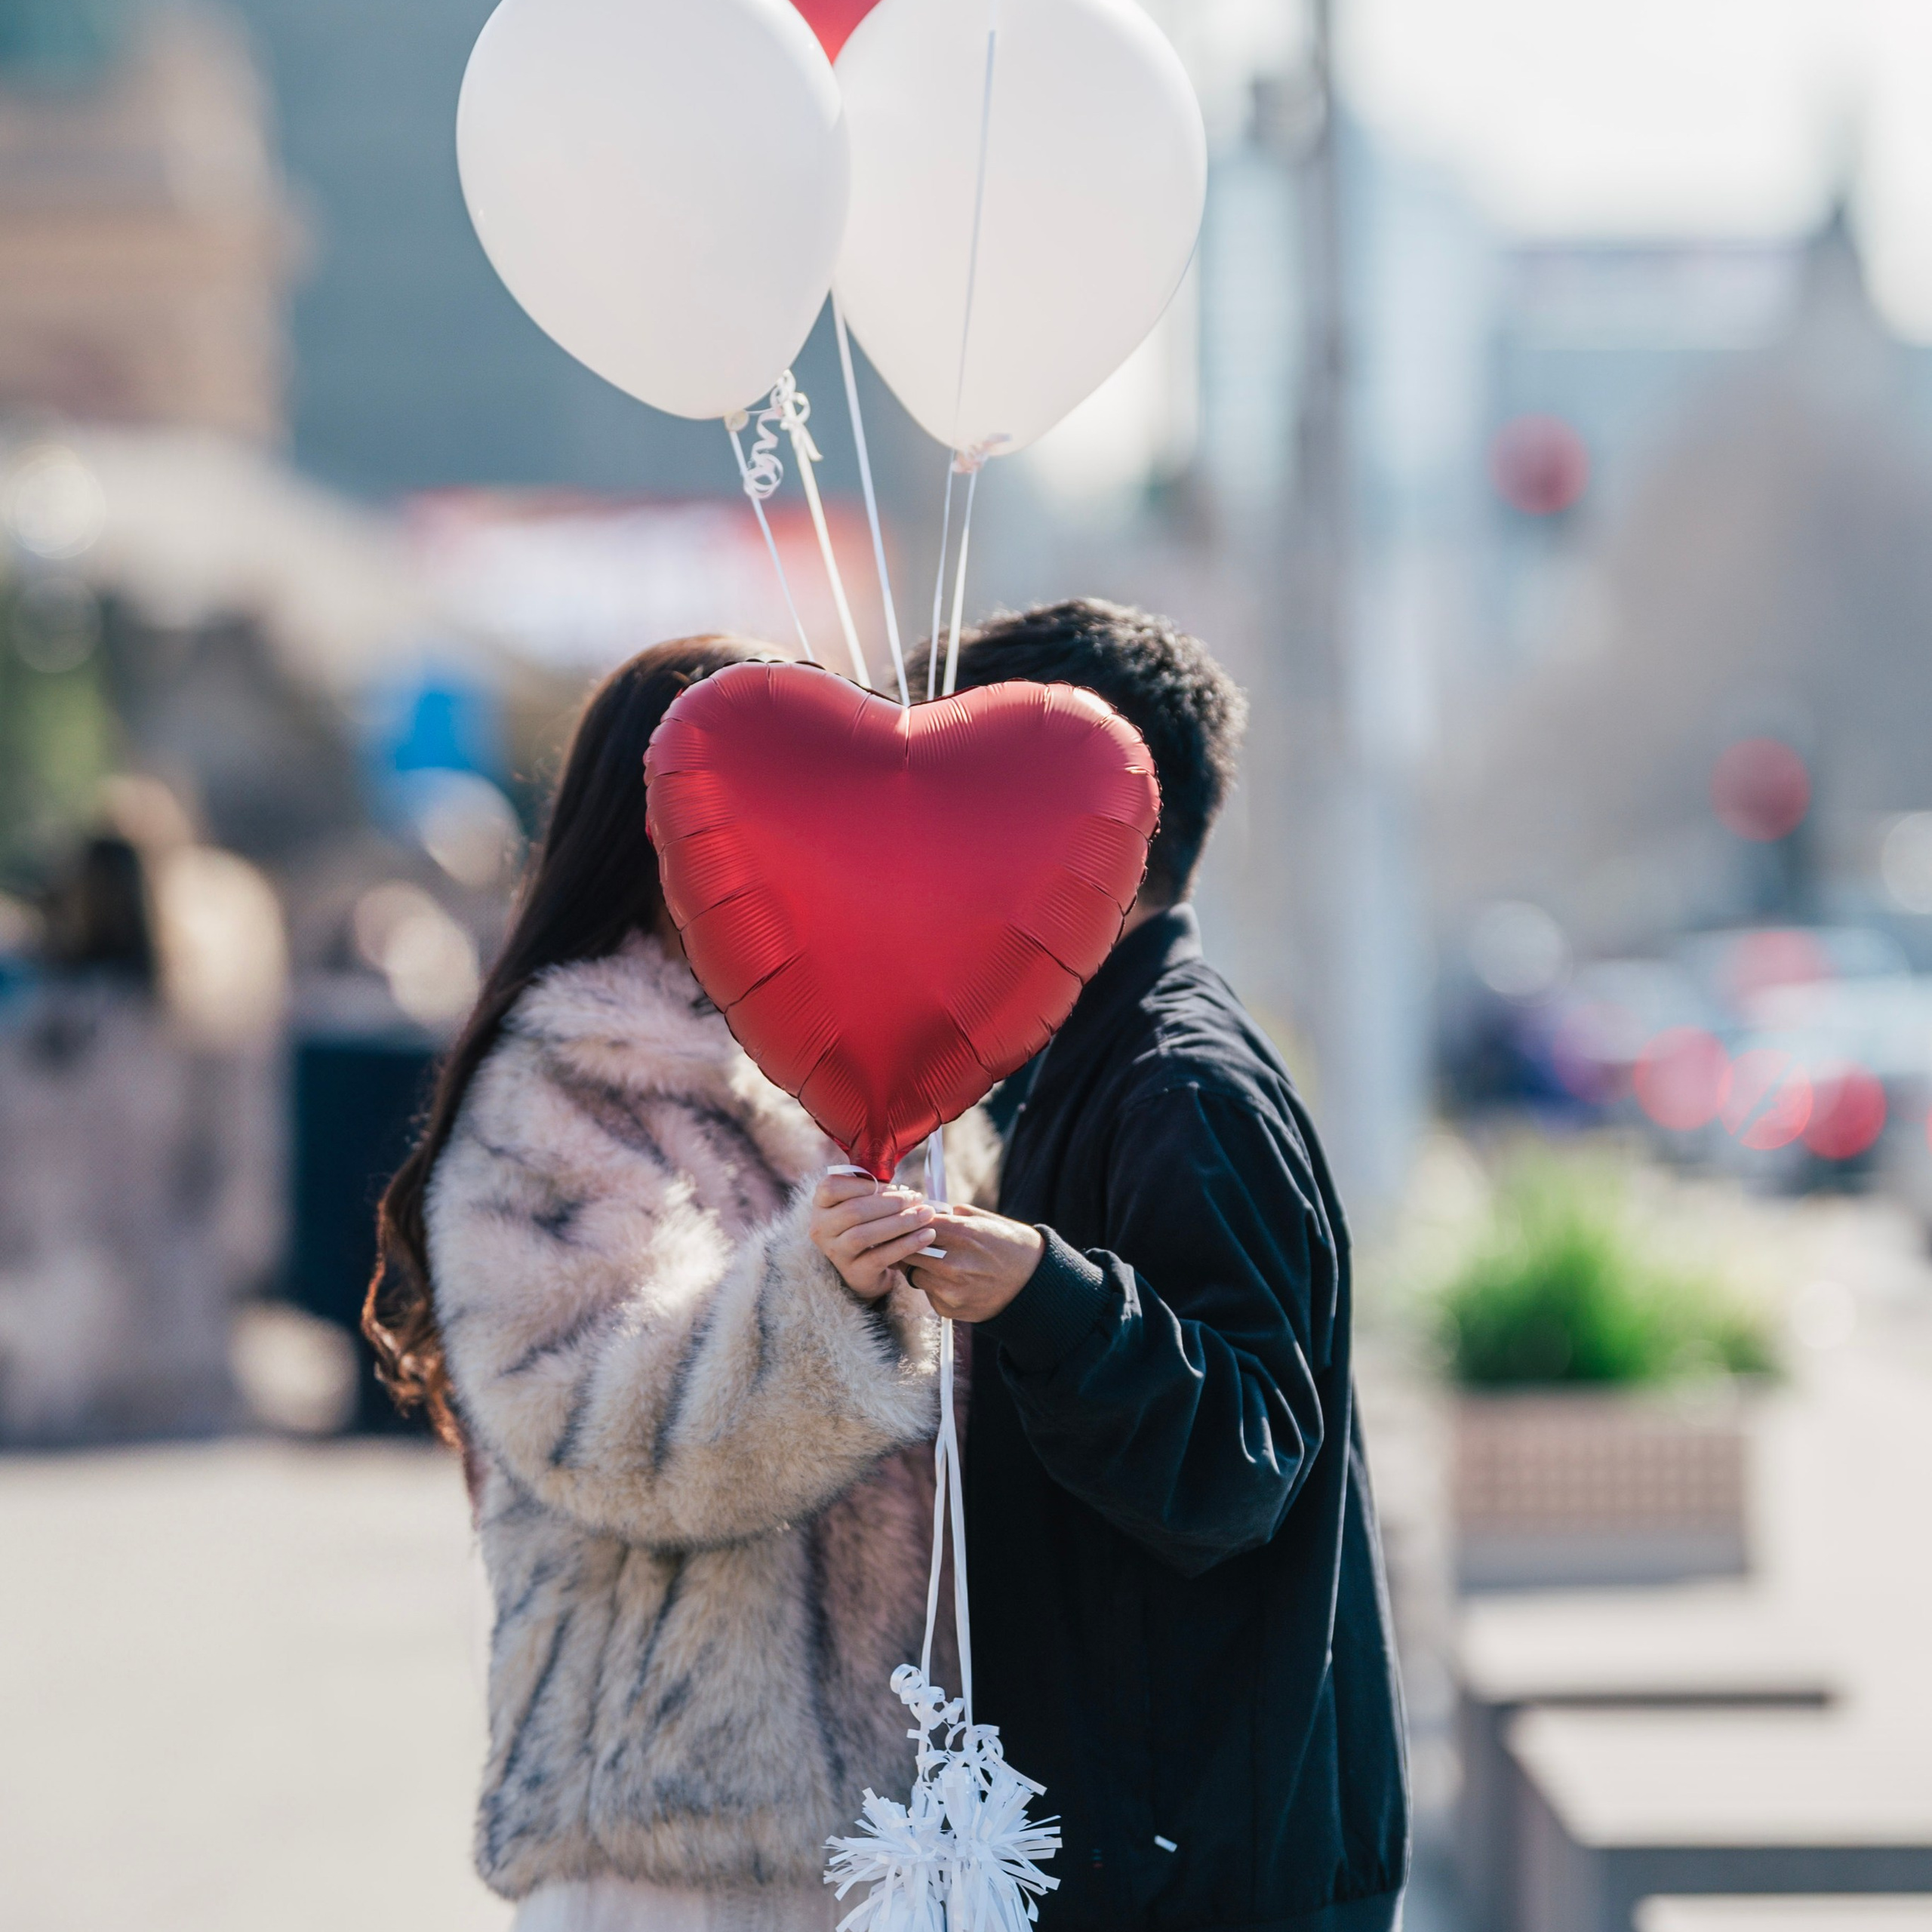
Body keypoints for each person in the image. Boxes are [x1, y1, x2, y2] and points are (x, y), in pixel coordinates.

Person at [365, 637, 993, 1932]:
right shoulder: (562, 1086)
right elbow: (597, 1426)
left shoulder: (859, 1070)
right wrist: (822, 1295)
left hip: (889, 1829)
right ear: (659, 833)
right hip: (668, 1839)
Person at [843, 600, 1412, 1932]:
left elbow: (1243, 1454)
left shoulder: (1178, 1085)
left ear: (1077, 816)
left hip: (1205, 1863)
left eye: (960, 799)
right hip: (1167, 1838)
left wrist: (1052, 1296)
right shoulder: (1098, 1058)